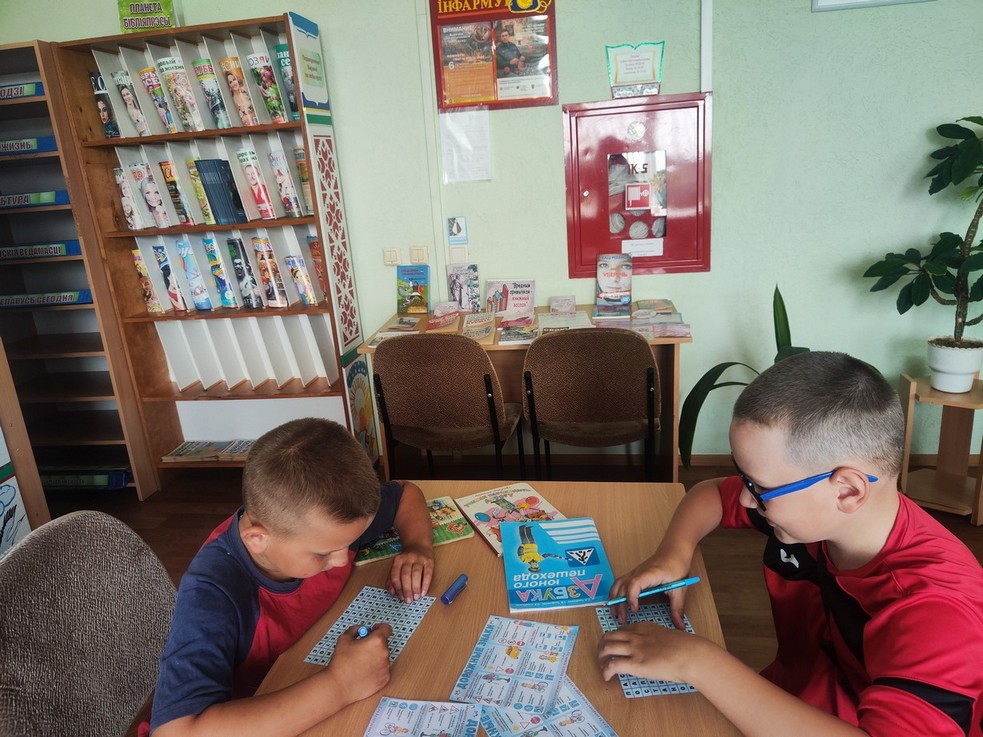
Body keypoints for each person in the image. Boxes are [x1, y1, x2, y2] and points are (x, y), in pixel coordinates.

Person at [598, 351, 983, 737]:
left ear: (847, 490)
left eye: (759, 487)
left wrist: (697, 661)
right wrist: (673, 555)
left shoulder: (939, 612)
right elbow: (711, 494)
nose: (746, 498)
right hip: (789, 702)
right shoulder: (816, 517)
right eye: (745, 478)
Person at [150, 417, 435, 736]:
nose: (342, 559)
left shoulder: (325, 522)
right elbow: (175, 732)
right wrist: (340, 686)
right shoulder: (212, 592)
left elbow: (406, 493)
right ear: (258, 539)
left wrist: (418, 546)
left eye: (350, 542)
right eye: (323, 554)